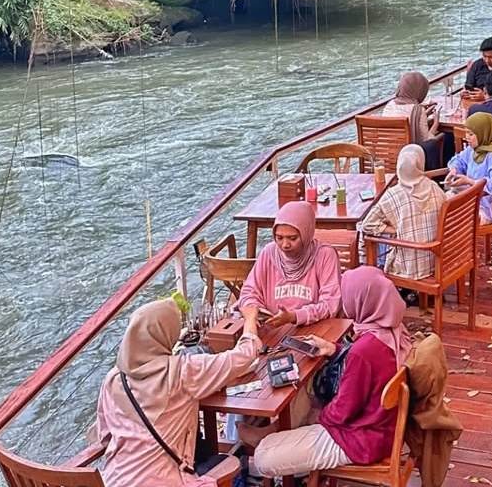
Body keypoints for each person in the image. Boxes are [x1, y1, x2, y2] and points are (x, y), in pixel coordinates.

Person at [251, 267, 412, 478]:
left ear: (361, 299)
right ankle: (279, 437)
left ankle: (279, 446)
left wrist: (318, 416)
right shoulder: (391, 328)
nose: (344, 303)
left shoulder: (364, 352)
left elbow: (344, 410)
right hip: (381, 426)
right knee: (304, 400)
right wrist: (333, 349)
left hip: (360, 438)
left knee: (263, 457)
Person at [89, 297, 260, 487]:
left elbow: (104, 437)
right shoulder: (181, 372)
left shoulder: (113, 378)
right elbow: (244, 355)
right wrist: (250, 318)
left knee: (204, 454)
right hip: (164, 480)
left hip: (113, 480)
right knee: (225, 462)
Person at [238, 201, 341, 328]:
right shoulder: (269, 253)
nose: (285, 245)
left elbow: (330, 304)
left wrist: (294, 316)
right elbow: (249, 291)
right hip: (272, 330)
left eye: (292, 238)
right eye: (279, 238)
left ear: (306, 234)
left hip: (312, 330)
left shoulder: (325, 255)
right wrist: (256, 312)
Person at [362, 144, 448, 280]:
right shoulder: (435, 188)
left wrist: (395, 230)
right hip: (436, 259)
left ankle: (372, 278)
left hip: (408, 267)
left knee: (371, 237)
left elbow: (366, 225)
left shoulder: (392, 195)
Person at [446, 113, 492, 224]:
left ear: (483, 134)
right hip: (472, 198)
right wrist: (454, 170)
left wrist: (469, 181)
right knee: (443, 204)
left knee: (452, 217)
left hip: (486, 206)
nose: (466, 137)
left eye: (471, 134)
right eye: (466, 133)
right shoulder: (474, 150)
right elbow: (459, 160)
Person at [382, 71, 444, 170]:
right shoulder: (418, 110)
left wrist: (424, 113)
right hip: (408, 159)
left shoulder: (389, 105)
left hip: (387, 156)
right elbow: (426, 139)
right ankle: (438, 178)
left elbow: (405, 117)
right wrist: (436, 122)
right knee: (437, 140)